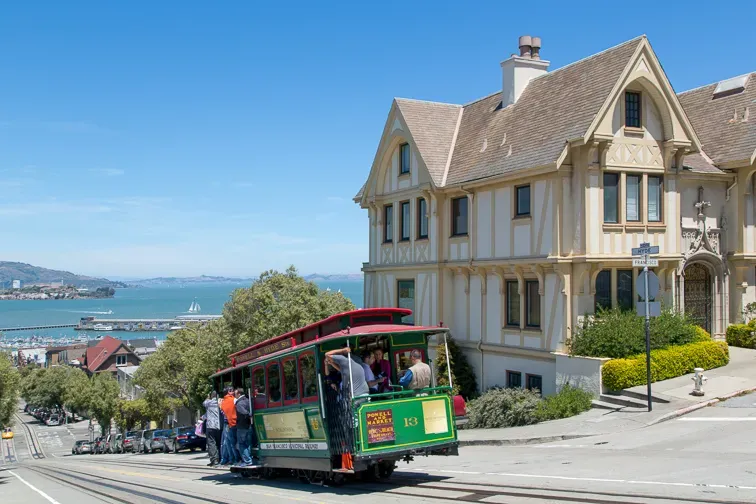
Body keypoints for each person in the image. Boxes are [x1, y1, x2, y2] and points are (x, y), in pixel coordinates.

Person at [219, 387, 239, 466]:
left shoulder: (223, 402)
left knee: (227, 442)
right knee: (233, 442)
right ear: (228, 392)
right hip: (233, 423)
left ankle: (230, 458)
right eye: (232, 391)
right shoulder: (234, 400)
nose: (233, 392)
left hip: (226, 423)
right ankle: (236, 458)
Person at [234, 388, 254, 466]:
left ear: (239, 394)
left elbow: (243, 412)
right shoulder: (247, 400)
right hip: (249, 425)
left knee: (241, 444)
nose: (234, 395)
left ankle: (247, 461)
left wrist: (248, 415)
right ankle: (249, 459)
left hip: (242, 426)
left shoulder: (239, 403)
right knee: (248, 444)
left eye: (235, 393)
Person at [202, 391, 221, 466]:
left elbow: (204, 403)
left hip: (210, 426)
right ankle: (220, 458)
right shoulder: (220, 403)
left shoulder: (208, 403)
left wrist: (208, 397)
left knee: (211, 443)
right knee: (219, 443)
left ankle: (214, 460)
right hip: (219, 425)